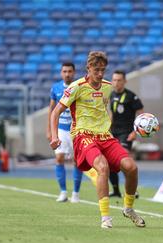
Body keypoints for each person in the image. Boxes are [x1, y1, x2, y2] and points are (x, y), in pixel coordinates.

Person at [49, 51, 145, 229]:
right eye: (96, 70)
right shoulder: (76, 87)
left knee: (132, 168)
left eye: (103, 70)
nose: (100, 74)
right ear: (88, 68)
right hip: (83, 135)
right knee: (102, 167)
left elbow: (104, 109)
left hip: (105, 137)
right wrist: (54, 136)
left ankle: (129, 208)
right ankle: (105, 217)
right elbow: (55, 112)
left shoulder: (107, 87)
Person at [47, 62, 97, 203]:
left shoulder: (80, 87)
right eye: (64, 71)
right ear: (61, 73)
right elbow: (51, 110)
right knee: (59, 158)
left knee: (77, 161)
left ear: (74, 72)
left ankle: (75, 193)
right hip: (61, 128)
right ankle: (63, 192)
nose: (67, 74)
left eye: (69, 71)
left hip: (76, 129)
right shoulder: (55, 88)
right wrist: (50, 130)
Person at [109, 70, 144, 198]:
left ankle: (132, 189)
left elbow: (142, 116)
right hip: (113, 133)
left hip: (126, 133)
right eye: (114, 80)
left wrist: (135, 132)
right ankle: (116, 190)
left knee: (123, 161)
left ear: (124, 81)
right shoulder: (112, 95)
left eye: (119, 80)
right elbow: (112, 114)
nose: (116, 83)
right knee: (109, 162)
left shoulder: (131, 97)